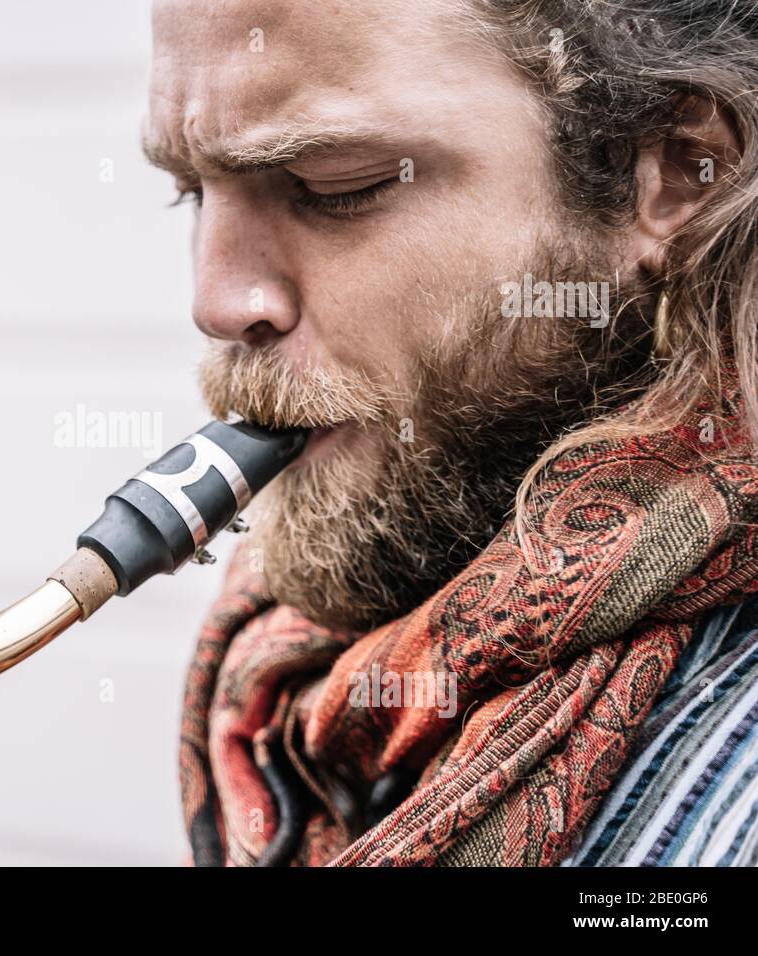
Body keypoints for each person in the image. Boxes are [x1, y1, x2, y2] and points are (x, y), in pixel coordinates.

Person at [145, 0, 758, 865]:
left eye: (336, 187)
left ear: (679, 175)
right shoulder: (287, 676)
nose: (216, 303)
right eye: (190, 190)